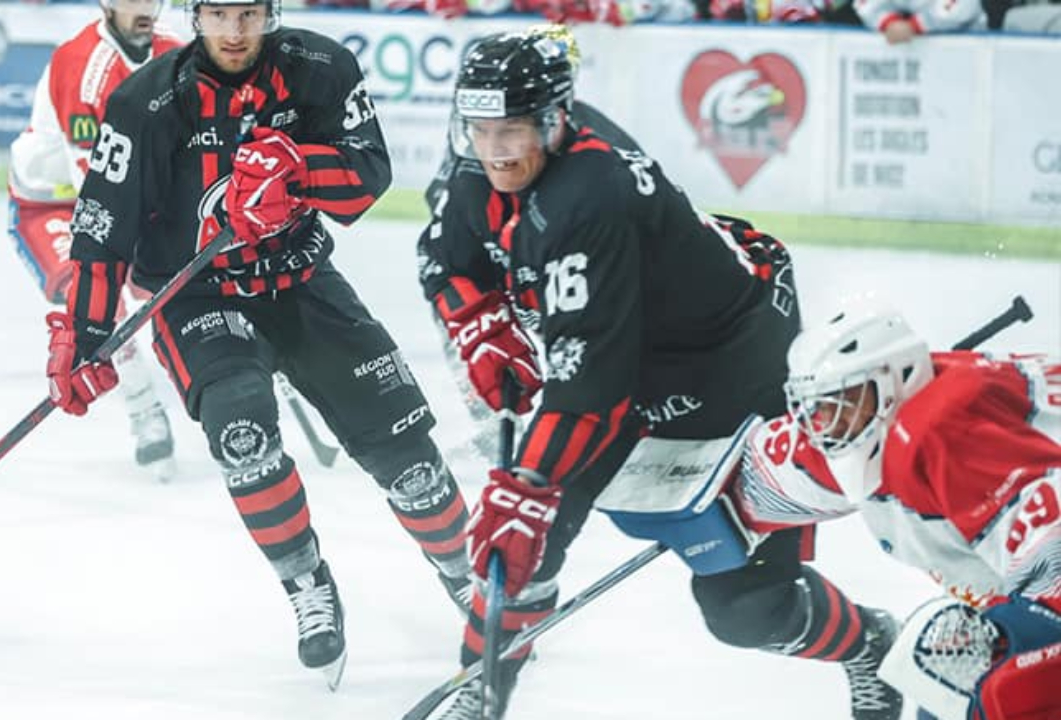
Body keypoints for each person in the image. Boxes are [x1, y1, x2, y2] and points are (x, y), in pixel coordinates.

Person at [416, 30, 901, 720]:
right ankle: (479, 690)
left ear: (555, 120)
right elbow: (442, 255)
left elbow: (591, 395)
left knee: (746, 608)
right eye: (481, 130)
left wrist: (527, 485)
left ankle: (868, 645)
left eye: (514, 131)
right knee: (525, 541)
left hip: (733, 371)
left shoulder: (590, 194)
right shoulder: (482, 157)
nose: (494, 150)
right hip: (627, 366)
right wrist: (478, 322)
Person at [43, 0, 475, 690]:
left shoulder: (321, 69)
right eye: (219, 15)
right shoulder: (145, 104)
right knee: (242, 432)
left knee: (406, 457)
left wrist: (293, 166)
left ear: (270, 12)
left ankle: (468, 577)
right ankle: (307, 583)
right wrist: (83, 335)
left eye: (249, 14)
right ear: (196, 15)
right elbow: (102, 233)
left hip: (301, 282)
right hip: (197, 297)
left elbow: (369, 175)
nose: (235, 32)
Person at [733, 301, 1061, 720]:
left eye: (844, 401)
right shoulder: (875, 430)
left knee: (982, 686)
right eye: (818, 407)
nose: (826, 424)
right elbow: (762, 476)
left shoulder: (948, 434)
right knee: (950, 670)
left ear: (898, 379)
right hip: (1034, 589)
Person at [421, 24, 642, 465]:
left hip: (559, 263)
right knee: (460, 304)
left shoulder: (599, 145)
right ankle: (490, 414)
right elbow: (452, 196)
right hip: (504, 251)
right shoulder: (483, 125)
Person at [8, 0, 183, 480]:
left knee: (173, 288)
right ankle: (144, 410)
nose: (145, 5)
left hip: (125, 199)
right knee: (95, 299)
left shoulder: (178, 54)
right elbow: (97, 191)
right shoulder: (81, 64)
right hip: (53, 205)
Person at [852, 0, 982, 43]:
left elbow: (963, 7)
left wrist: (914, 26)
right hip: (903, 53)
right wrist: (888, 22)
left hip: (963, 51)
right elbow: (865, 5)